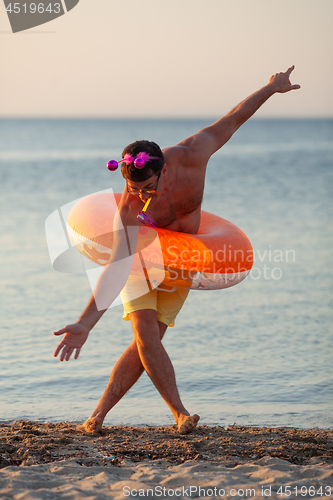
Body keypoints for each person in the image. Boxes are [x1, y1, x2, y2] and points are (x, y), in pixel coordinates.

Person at [53, 66, 300, 434]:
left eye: (147, 187)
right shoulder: (130, 206)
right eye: (133, 188)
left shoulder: (195, 151)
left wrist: (271, 88)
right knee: (146, 337)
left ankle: (97, 416)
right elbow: (118, 263)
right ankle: (181, 414)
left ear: (164, 170)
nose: (141, 195)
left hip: (181, 262)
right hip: (141, 263)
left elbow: (233, 119)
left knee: (145, 345)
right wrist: (86, 322)